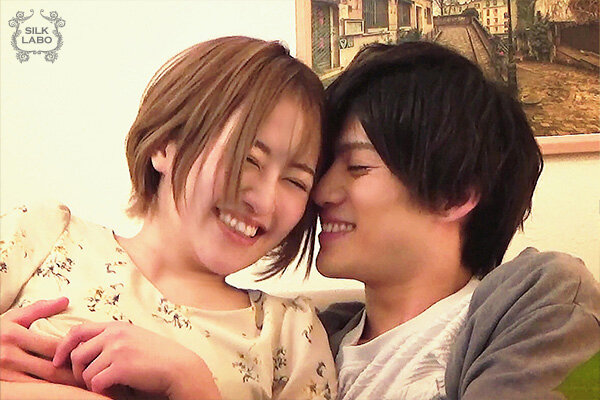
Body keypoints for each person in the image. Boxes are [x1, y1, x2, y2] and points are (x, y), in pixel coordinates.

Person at [0, 36, 337, 400]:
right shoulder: (41, 235)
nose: (265, 201)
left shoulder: (291, 334)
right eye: (248, 159)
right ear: (165, 144)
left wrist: (191, 383)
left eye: (295, 181)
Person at [314, 41, 600, 400]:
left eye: (357, 166)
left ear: (456, 194)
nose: (320, 192)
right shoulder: (304, 338)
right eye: (323, 167)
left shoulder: (545, 307)